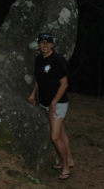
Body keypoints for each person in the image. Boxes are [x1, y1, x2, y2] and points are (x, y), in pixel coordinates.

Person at [28, 32, 74, 181]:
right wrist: (33, 93)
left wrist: (54, 103)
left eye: (48, 42)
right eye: (42, 42)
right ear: (39, 44)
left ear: (52, 44)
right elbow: (39, 79)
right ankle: (69, 159)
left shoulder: (57, 60)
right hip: (45, 102)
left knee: (54, 137)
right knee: (61, 133)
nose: (45, 45)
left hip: (58, 103)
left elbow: (64, 84)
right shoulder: (38, 60)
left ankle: (66, 168)